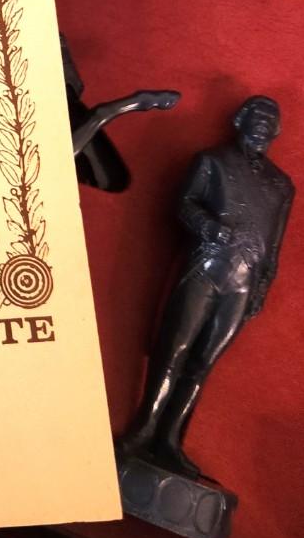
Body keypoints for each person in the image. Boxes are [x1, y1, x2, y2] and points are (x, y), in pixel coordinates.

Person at [118, 96, 294, 476]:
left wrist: (262, 288)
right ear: (240, 120)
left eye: (271, 120)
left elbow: (274, 244)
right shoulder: (213, 161)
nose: (263, 125)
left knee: (203, 363)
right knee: (173, 349)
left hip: (243, 284)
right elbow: (185, 203)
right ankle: (143, 428)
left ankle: (169, 440)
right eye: (257, 116)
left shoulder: (282, 186)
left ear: (278, 130)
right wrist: (210, 227)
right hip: (205, 268)